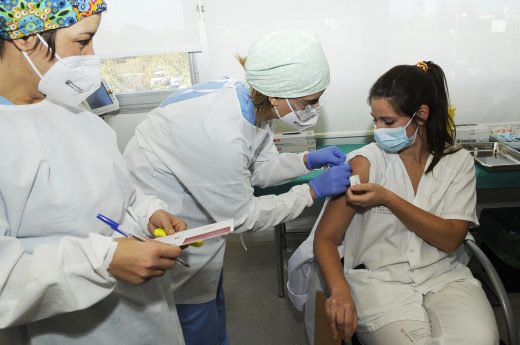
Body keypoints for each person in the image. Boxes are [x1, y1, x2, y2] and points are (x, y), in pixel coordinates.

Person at [123, 31, 352, 344]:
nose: (313, 110)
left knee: (208, 292)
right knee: (191, 306)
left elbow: (258, 168)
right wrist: (311, 192)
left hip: (200, 202)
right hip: (168, 208)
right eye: (308, 102)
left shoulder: (255, 104)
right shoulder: (221, 131)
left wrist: (306, 161)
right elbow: (243, 217)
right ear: (277, 94)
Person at [0, 1, 188, 344]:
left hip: (145, 314)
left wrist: (147, 211)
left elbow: (115, 187)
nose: (92, 54)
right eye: (83, 41)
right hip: (69, 330)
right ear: (26, 37)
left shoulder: (68, 105)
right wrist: (102, 261)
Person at [313, 61, 499, 344]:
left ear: (421, 116)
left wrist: (389, 199)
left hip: (444, 278)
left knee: (479, 340)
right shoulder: (366, 163)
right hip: (380, 284)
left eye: (388, 122)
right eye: (375, 119)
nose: (379, 130)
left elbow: (451, 239)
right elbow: (326, 237)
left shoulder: (456, 162)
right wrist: (339, 292)